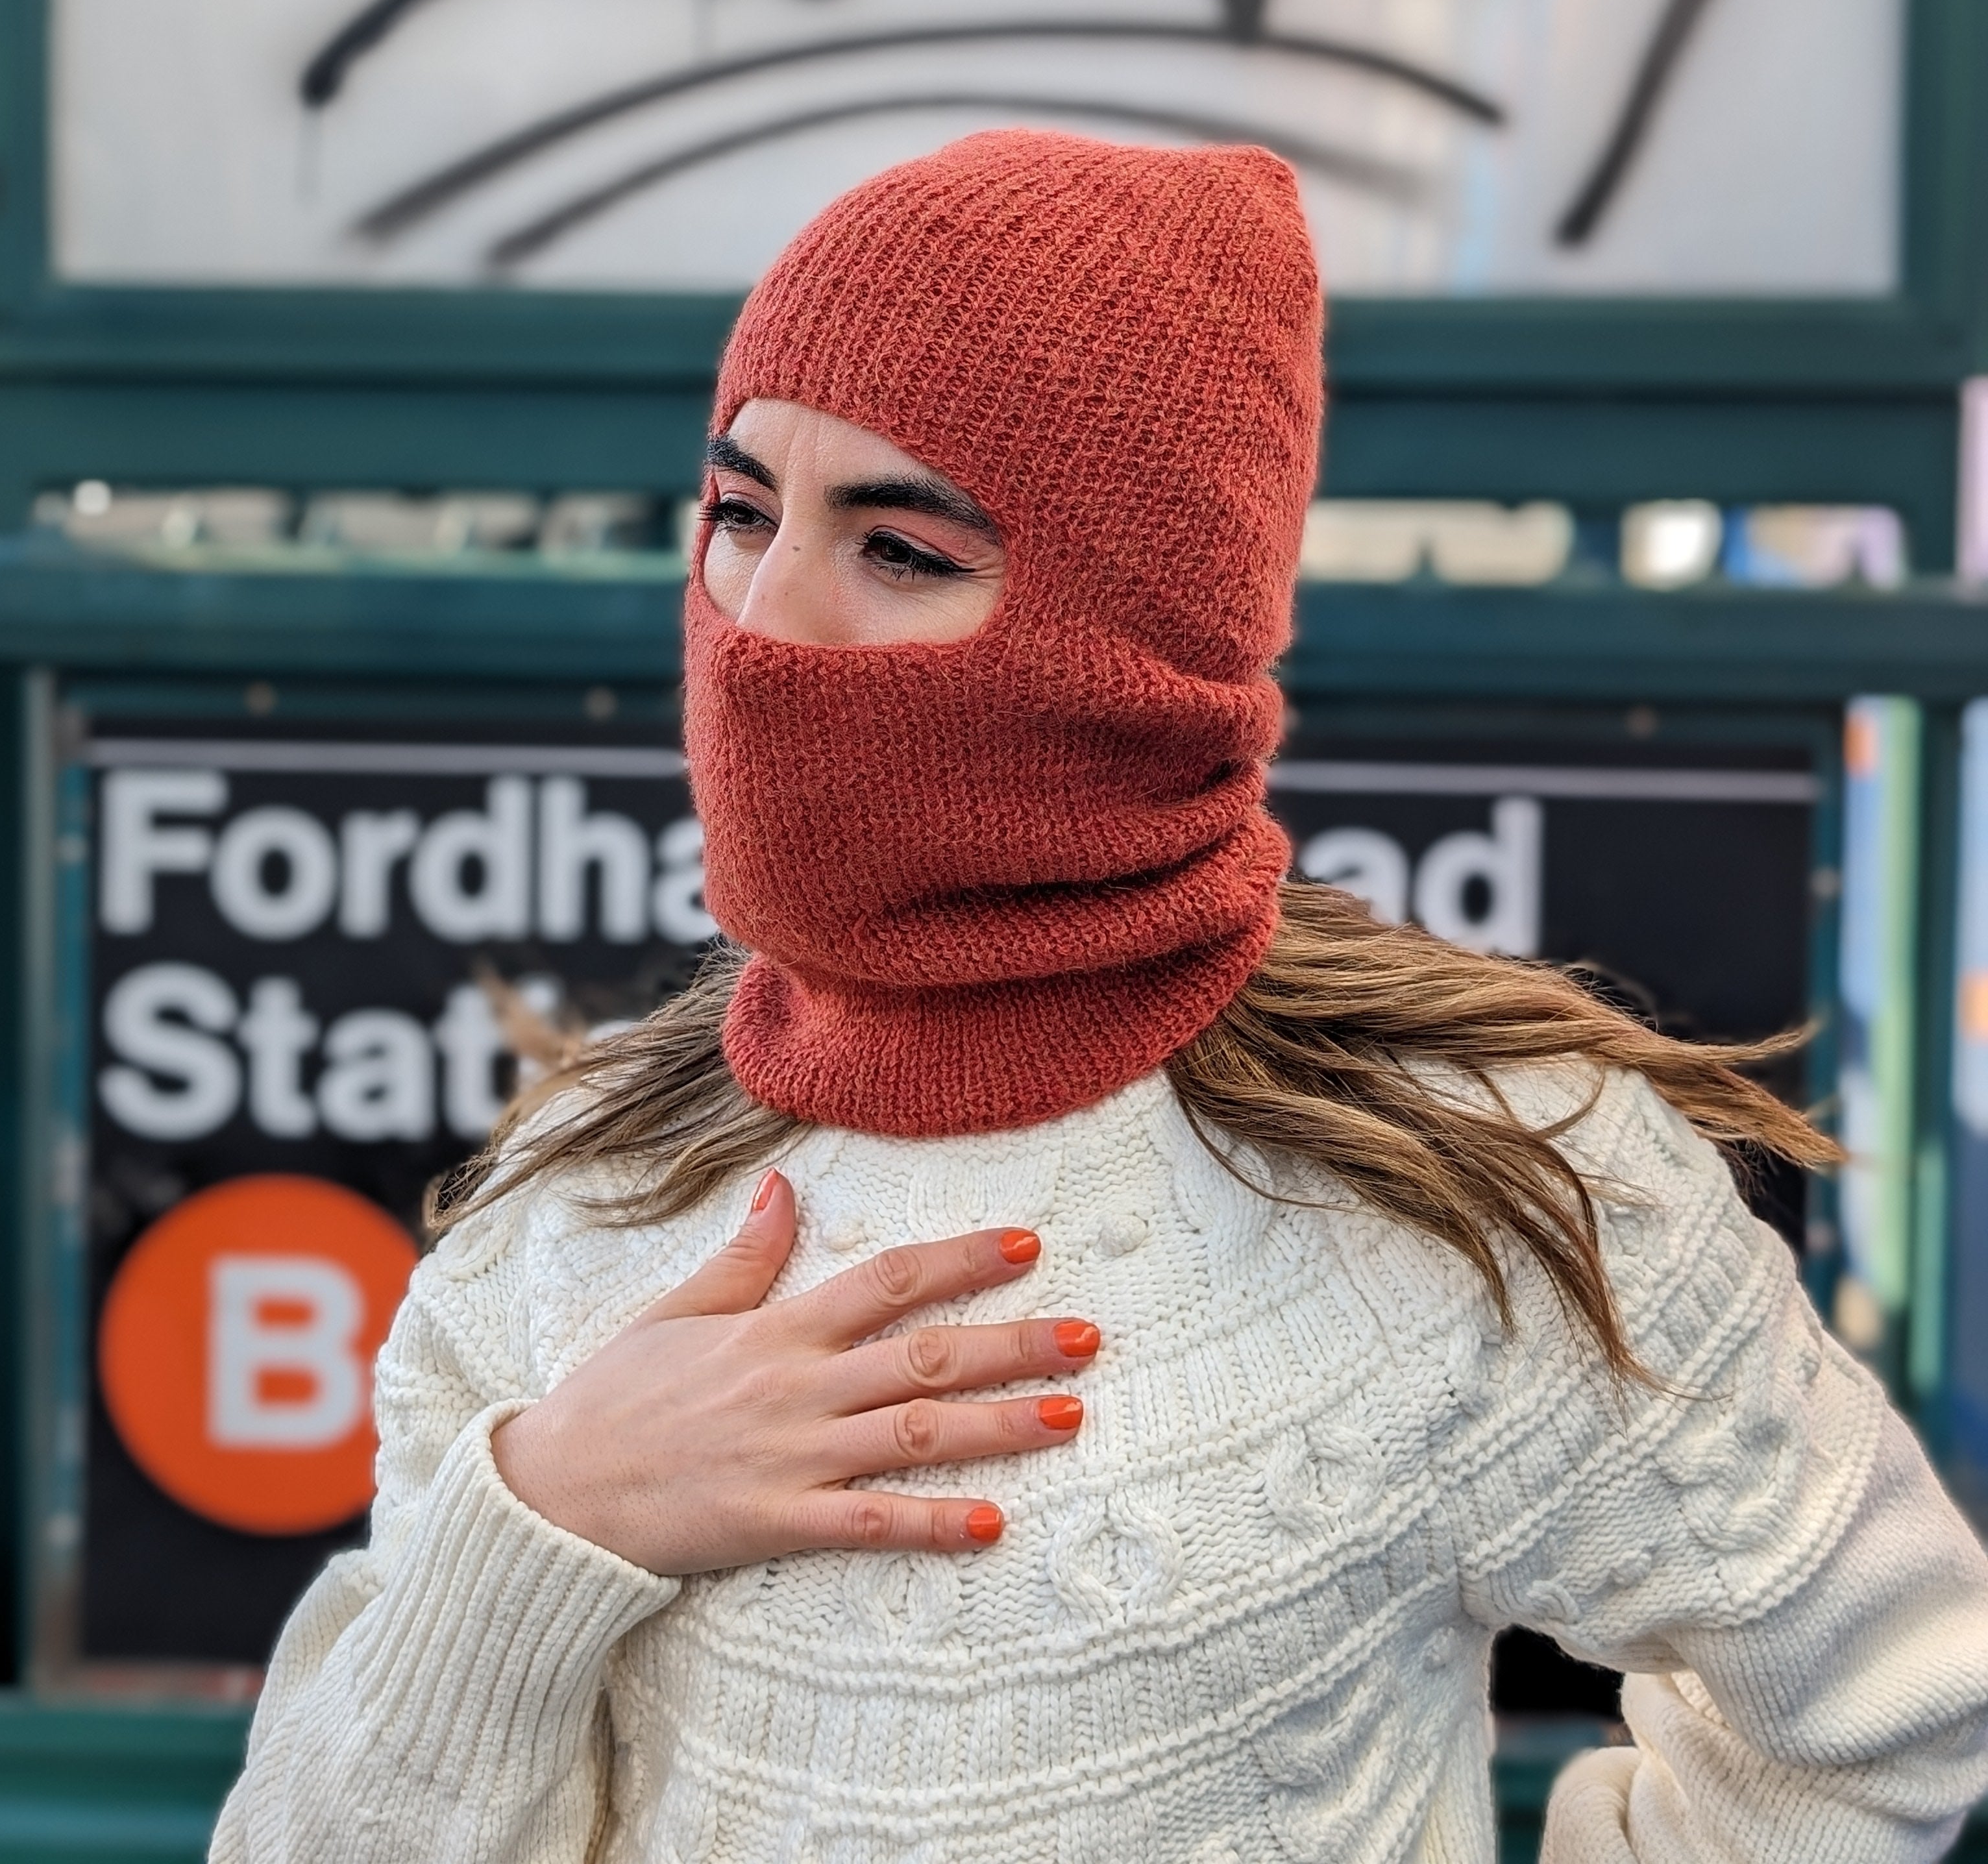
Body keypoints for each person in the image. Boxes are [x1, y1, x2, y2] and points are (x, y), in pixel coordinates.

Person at [214, 132, 1988, 1864]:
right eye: (742, 512)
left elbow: (1888, 1704)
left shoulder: (1469, 1181)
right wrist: (546, 1513)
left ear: (1136, 642)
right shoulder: (582, 1197)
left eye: (902, 549)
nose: (765, 619)